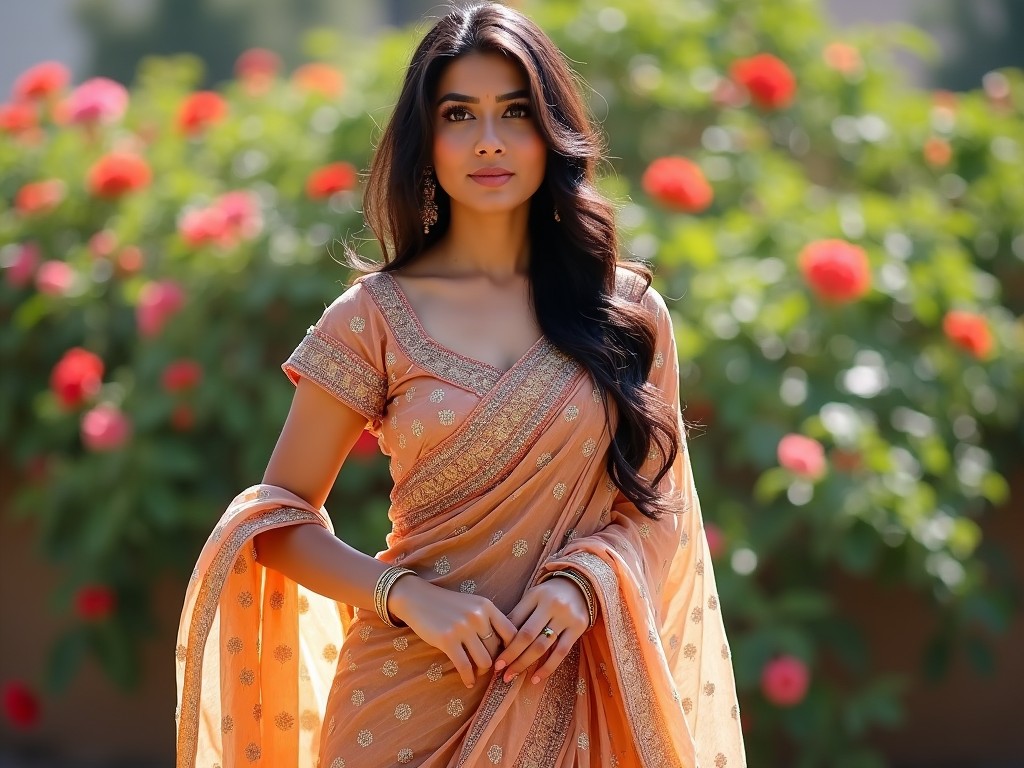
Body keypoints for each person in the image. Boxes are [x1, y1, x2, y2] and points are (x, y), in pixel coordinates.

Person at [174, 4, 746, 767]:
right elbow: (277, 521)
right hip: (399, 702)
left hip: (577, 693)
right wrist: (405, 595)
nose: (488, 140)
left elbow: (659, 509)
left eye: (514, 112)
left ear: (551, 131)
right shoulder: (373, 317)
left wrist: (583, 586)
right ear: (426, 140)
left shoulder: (626, 313)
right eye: (459, 114)